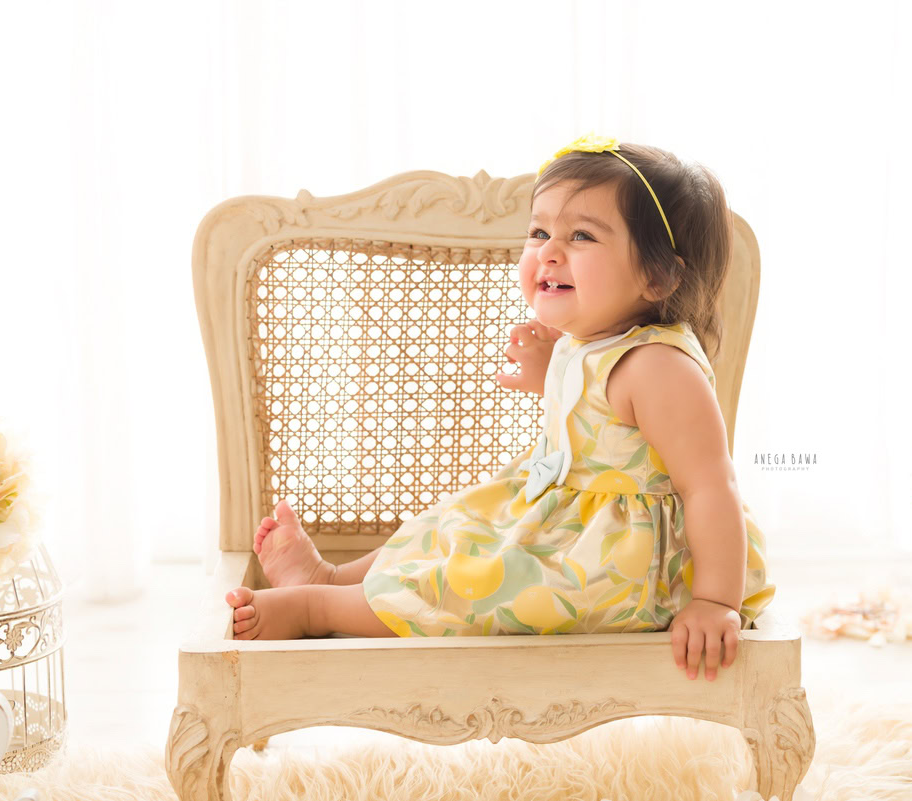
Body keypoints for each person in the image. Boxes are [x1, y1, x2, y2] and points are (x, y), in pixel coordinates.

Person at [225, 133, 776, 682]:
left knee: (479, 585)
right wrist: (551, 378)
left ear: (657, 276)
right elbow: (604, 425)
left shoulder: (661, 368)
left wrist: (713, 600)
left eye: (582, 236)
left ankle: (316, 612)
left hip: (627, 566)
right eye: (539, 231)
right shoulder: (589, 344)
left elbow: (710, 486)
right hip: (562, 517)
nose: (548, 252)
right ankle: (333, 579)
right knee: (451, 527)